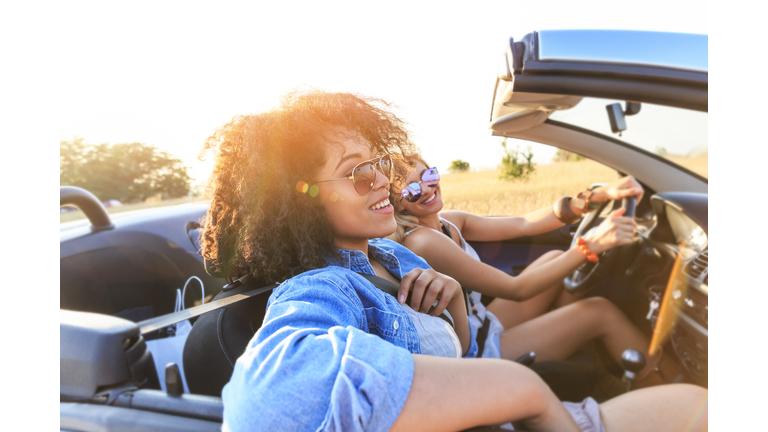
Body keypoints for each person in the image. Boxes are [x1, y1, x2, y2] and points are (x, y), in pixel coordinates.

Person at [199, 90, 707, 432]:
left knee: (702, 405)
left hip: (503, 401)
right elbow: (267, 402)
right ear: (304, 200)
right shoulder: (320, 288)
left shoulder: (392, 253)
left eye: (376, 164)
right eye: (356, 174)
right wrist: (522, 387)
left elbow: (457, 352)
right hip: (517, 408)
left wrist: (456, 307)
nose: (382, 181)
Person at [389, 155, 680, 384]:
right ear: (397, 203)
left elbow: (525, 223)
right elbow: (517, 289)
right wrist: (592, 244)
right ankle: (667, 382)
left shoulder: (449, 221)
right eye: (411, 189)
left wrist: (593, 197)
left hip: (482, 321)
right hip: (474, 351)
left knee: (554, 257)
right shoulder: (423, 240)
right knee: (600, 311)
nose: (426, 188)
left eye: (429, 175)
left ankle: (583, 353)